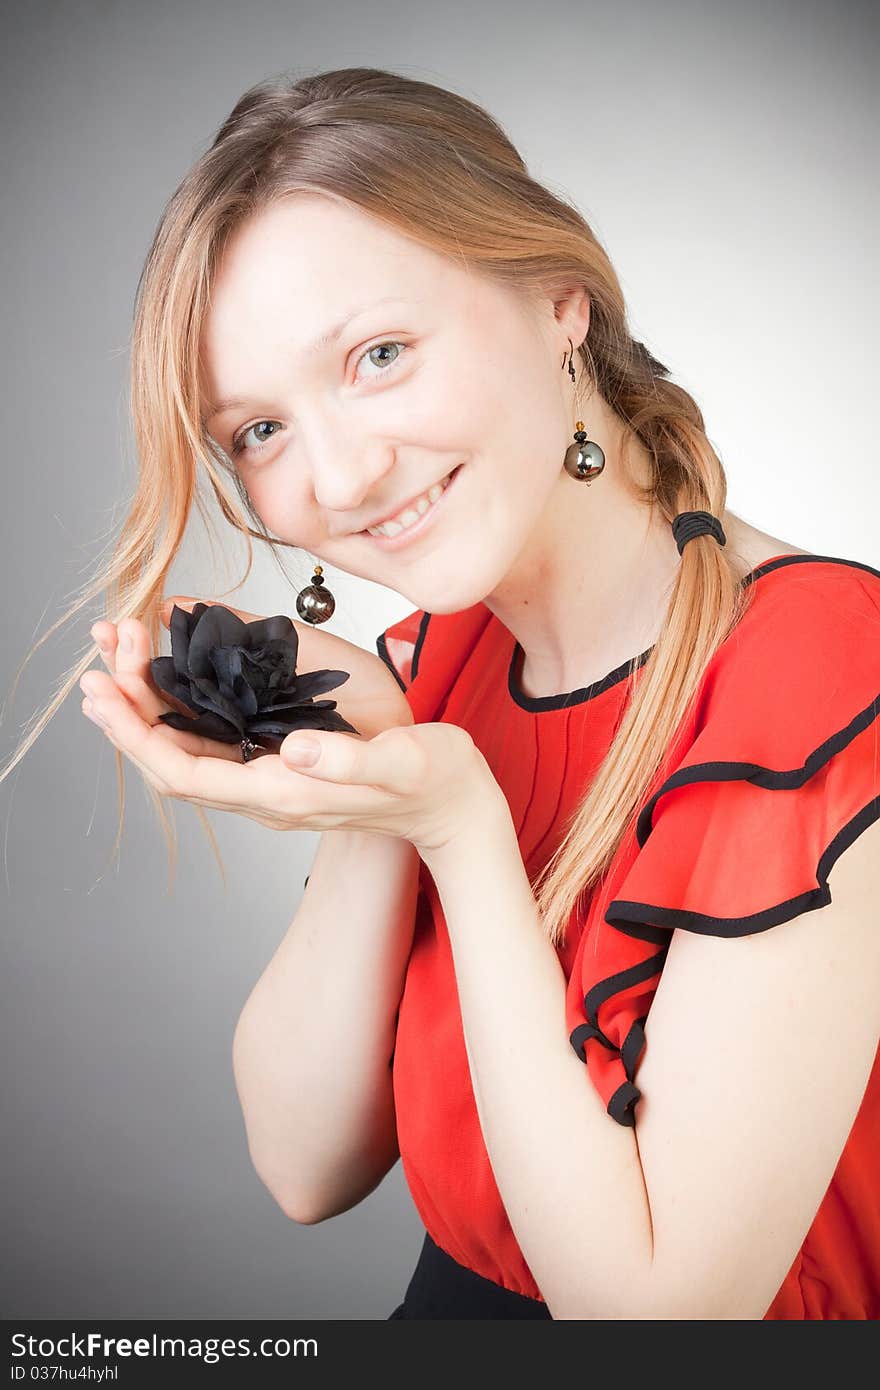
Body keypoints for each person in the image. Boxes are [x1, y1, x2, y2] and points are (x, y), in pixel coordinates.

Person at [3, 66, 879, 1320]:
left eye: (377, 354)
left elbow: (656, 1316)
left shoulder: (823, 677)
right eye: (258, 431)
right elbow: (304, 1164)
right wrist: (372, 773)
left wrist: (461, 834)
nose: (342, 475)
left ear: (556, 299)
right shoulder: (433, 666)